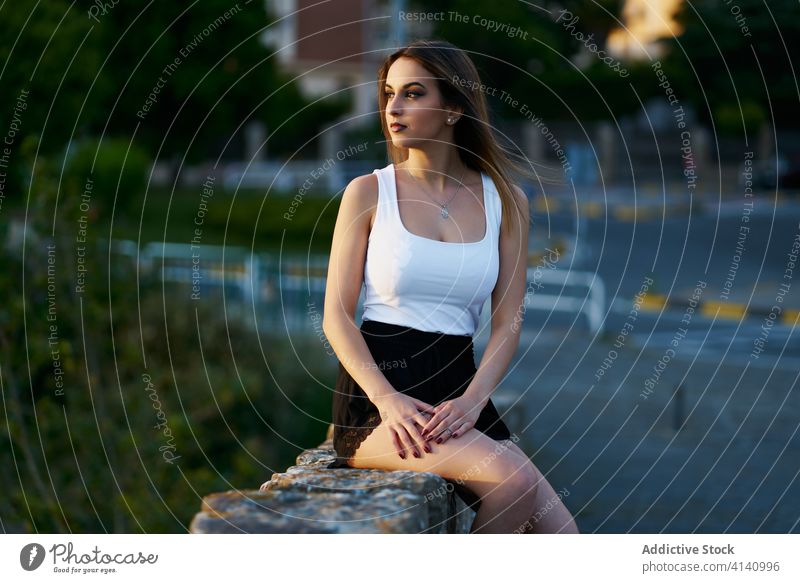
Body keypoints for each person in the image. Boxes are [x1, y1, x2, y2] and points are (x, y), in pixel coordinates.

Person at [322, 39, 578, 534]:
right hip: (380, 404)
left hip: (459, 397)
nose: (393, 108)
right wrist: (387, 399)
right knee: (513, 484)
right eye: (389, 94)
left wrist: (474, 400)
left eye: (413, 93)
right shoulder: (369, 192)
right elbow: (336, 315)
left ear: (455, 107)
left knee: (565, 539)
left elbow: (507, 323)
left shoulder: (507, 200)